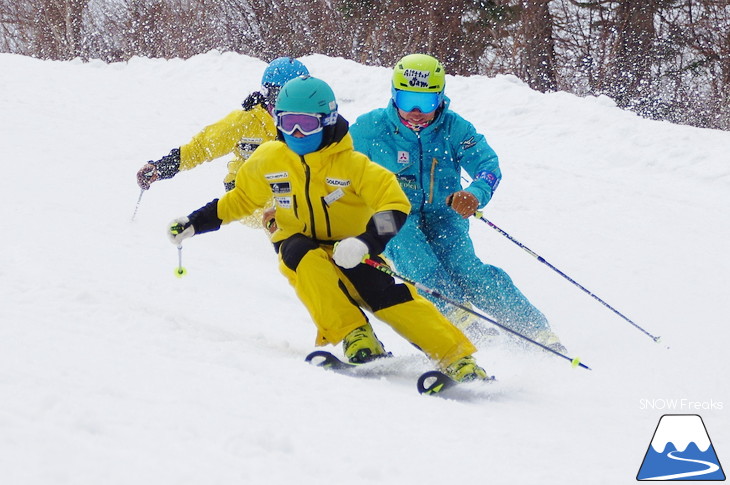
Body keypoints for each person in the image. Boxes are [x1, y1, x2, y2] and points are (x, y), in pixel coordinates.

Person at [166, 75, 489, 382]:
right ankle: (356, 336)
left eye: (306, 124)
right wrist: (194, 223)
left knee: (391, 299)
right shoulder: (270, 159)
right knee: (297, 254)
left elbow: (395, 205)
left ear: (327, 121)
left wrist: (366, 242)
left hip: (353, 249)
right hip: (303, 245)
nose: (295, 133)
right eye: (286, 122)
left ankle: (459, 359)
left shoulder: (352, 164)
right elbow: (240, 200)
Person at [349, 54, 565, 351]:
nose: (414, 111)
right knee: (416, 257)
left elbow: (488, 165)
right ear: (393, 94)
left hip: (445, 213)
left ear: (440, 98)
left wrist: (475, 193)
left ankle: (533, 329)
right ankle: (460, 320)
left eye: (425, 103)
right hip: (392, 211)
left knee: (468, 270)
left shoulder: (454, 129)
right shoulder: (369, 129)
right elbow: (333, 162)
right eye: (406, 99)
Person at [136, 57, 309, 192]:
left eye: (295, 97)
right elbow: (202, 147)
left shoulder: (313, 123)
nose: (286, 106)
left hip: (290, 187)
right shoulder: (246, 122)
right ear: (266, 94)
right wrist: (161, 167)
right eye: (278, 97)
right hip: (245, 190)